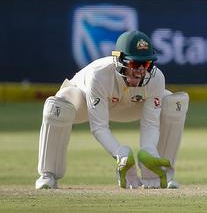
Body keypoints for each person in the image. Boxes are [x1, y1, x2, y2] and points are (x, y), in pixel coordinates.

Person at [35, 30, 189, 189]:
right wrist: (121, 153)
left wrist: (149, 150)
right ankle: (48, 175)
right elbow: (99, 127)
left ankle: (160, 175)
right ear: (119, 60)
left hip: (131, 106)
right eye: (135, 64)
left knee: (173, 102)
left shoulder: (156, 78)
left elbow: (150, 124)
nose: (142, 71)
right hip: (84, 106)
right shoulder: (99, 75)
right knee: (59, 104)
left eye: (147, 64)